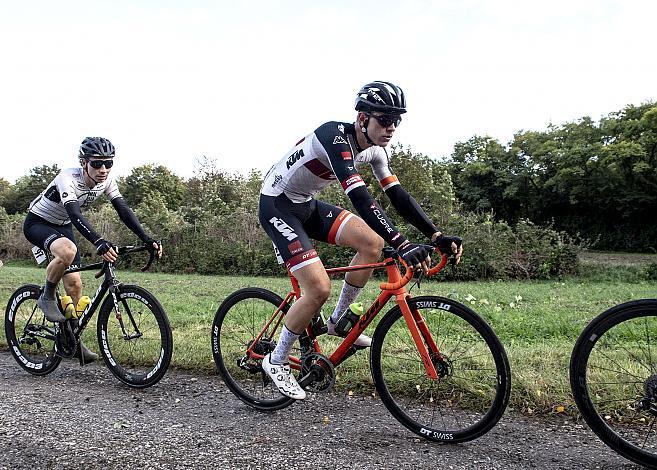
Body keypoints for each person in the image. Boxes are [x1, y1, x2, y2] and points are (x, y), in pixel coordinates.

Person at [258, 81, 463, 399]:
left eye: (397, 120)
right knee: (318, 288)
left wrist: (435, 235)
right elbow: (361, 198)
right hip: (277, 205)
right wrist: (404, 244)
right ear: (362, 118)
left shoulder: (376, 151)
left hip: (306, 204)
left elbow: (397, 196)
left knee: (372, 243)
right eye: (385, 119)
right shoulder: (333, 136)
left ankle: (339, 320)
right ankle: (278, 358)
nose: (391, 127)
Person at [23, 136, 162, 363]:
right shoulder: (67, 178)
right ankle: (46, 296)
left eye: (109, 163)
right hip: (38, 223)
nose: (103, 169)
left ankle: (72, 341)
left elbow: (123, 210)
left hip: (63, 226)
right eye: (97, 163)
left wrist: (146, 238)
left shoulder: (107, 180)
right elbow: (75, 214)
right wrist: (99, 242)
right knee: (67, 252)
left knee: (75, 286)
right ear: (83, 162)